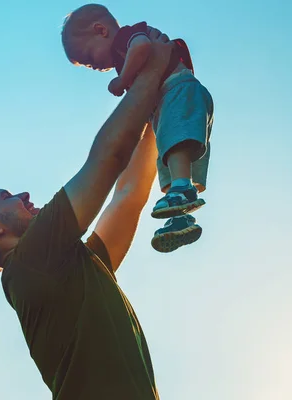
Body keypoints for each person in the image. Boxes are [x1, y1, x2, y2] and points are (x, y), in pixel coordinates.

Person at [0, 30, 177, 400]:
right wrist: (154, 70)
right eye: (5, 196)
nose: (23, 194)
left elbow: (128, 196)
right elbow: (108, 158)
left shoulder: (68, 267)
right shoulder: (30, 261)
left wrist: (154, 113)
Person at [61, 3, 214, 253]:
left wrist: (123, 80)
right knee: (167, 161)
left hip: (178, 89)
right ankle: (180, 217)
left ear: (101, 30)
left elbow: (142, 47)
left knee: (174, 148)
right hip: (172, 100)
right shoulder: (126, 56)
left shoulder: (128, 37)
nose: (94, 67)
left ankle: (182, 190)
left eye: (89, 58)